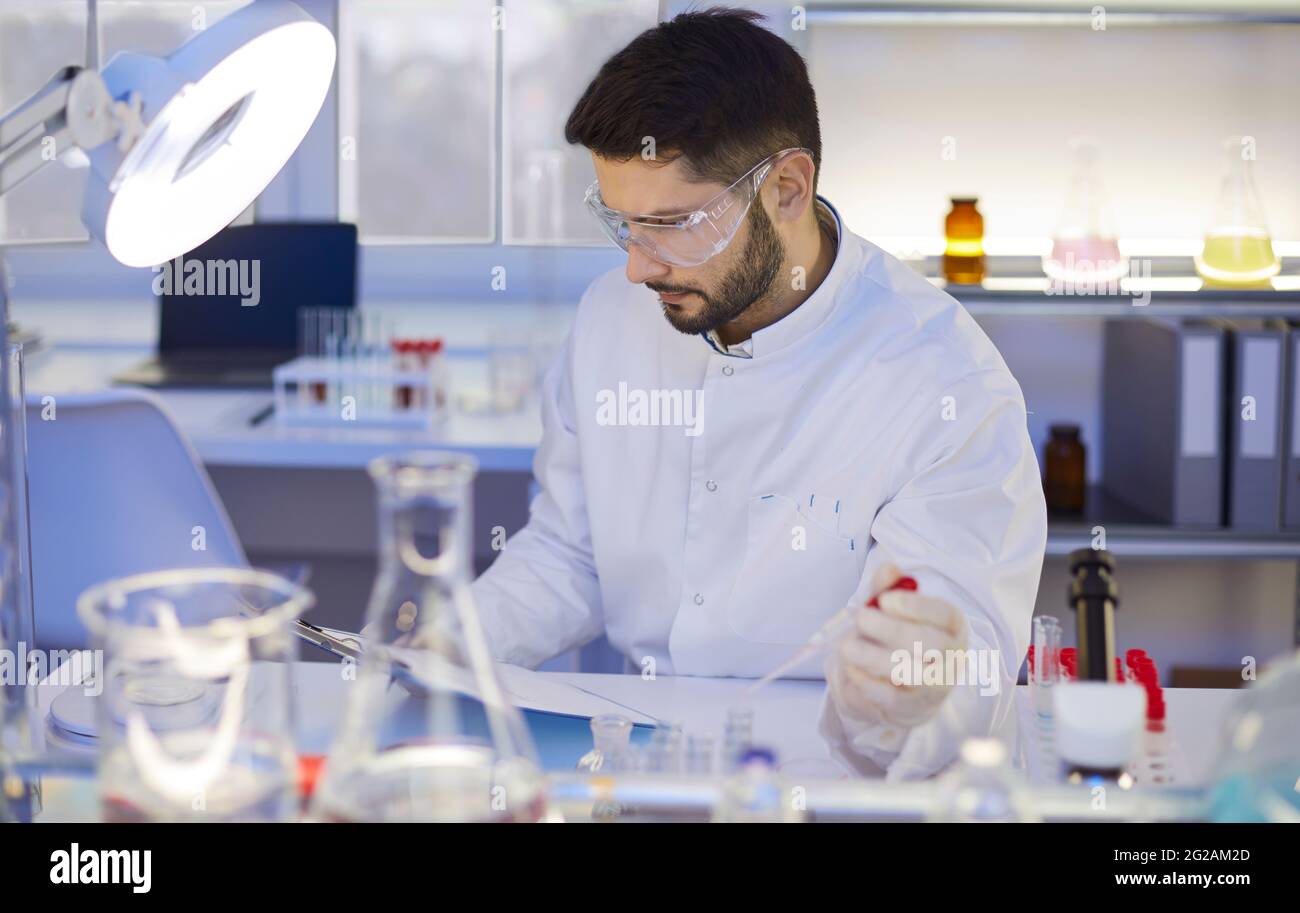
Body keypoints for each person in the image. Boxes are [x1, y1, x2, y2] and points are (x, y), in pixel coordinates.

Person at [473, 8, 1046, 779]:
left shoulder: (944, 382)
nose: (639, 266)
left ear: (785, 187)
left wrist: (897, 692)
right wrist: (455, 640)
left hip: (829, 773)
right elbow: (572, 551)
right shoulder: (611, 318)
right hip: (638, 762)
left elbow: (959, 662)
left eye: (672, 223)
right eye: (622, 223)